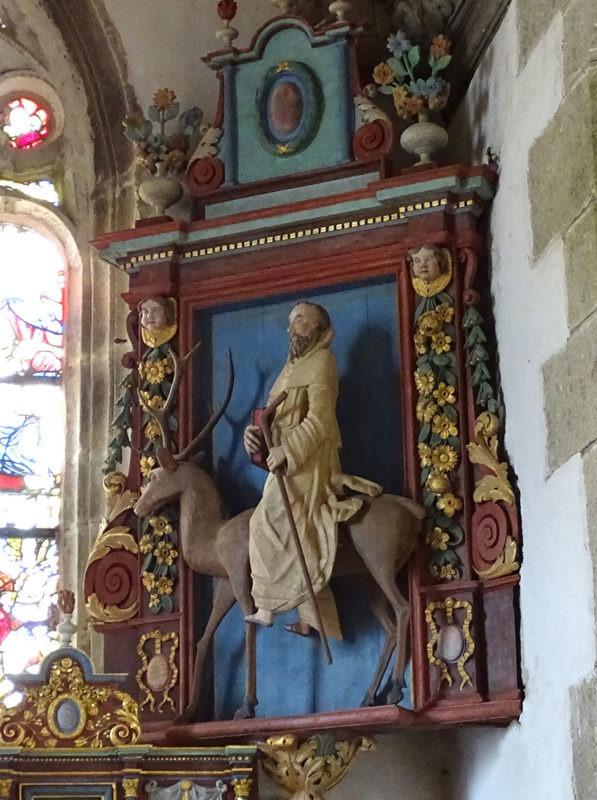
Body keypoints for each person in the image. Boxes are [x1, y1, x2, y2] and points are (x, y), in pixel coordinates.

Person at [243, 301, 382, 639]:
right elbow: (272, 419)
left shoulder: (322, 362)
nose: (293, 327)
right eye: (291, 321)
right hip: (287, 461)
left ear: (320, 328)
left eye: (302, 320)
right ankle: (313, 619)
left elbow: (319, 421)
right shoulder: (288, 369)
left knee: (268, 520)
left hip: (311, 462)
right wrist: (256, 438)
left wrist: (287, 450)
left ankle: (265, 607)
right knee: (286, 528)